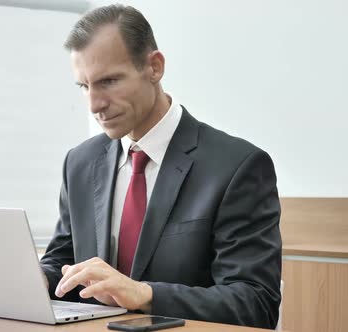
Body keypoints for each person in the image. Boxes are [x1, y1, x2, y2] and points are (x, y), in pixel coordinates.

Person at [39, 4, 282, 329]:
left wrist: (143, 293)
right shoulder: (80, 163)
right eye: (84, 86)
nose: (94, 104)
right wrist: (36, 279)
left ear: (154, 67)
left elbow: (255, 303)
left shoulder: (238, 167)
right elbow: (63, 261)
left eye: (108, 81)